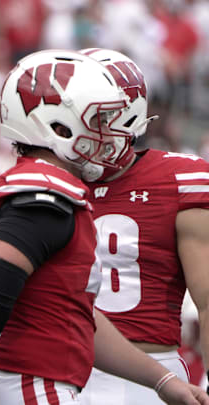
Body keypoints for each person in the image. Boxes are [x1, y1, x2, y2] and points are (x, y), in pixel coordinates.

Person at [0, 49, 209, 405]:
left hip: (95, 370)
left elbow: (78, 312)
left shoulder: (25, 183)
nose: (111, 135)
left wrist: (162, 379)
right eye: (99, 120)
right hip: (38, 378)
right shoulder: (44, 193)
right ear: (59, 126)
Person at [77, 48, 209, 405]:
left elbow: (208, 300)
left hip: (150, 378)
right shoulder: (45, 181)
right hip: (58, 370)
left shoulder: (180, 179)